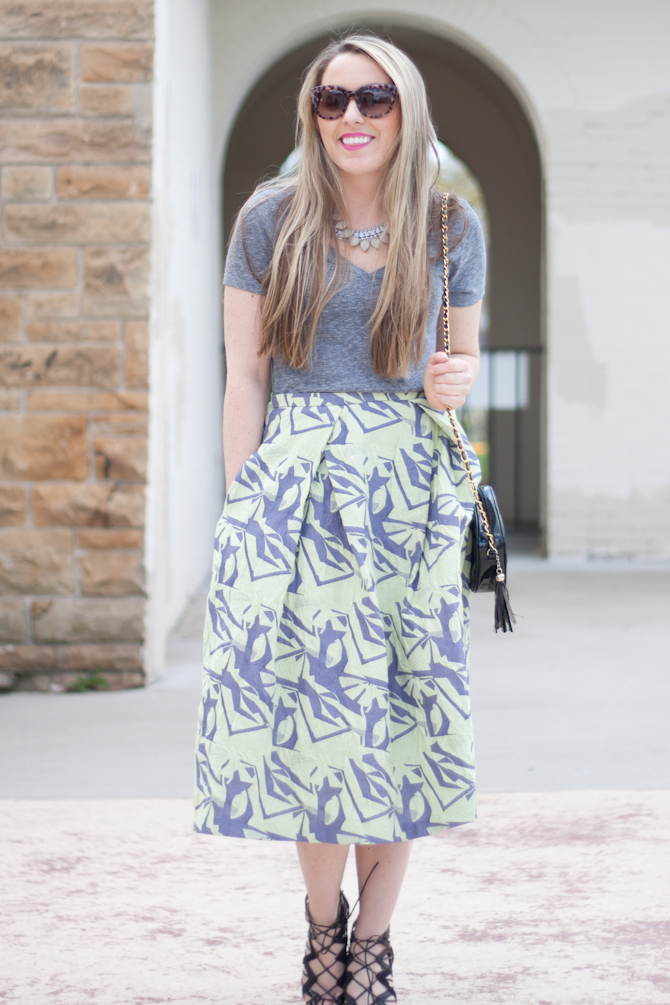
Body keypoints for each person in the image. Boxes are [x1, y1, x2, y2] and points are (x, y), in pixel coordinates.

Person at [194, 33, 486, 1005]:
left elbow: (456, 376)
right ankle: (322, 935)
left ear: (406, 112)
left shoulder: (449, 230)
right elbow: (245, 377)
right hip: (299, 490)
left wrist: (453, 379)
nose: (352, 118)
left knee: (397, 731)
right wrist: (243, 514)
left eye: (373, 99)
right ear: (312, 116)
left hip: (405, 497)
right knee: (319, 735)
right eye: (331, 101)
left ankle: (375, 942)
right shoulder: (268, 220)